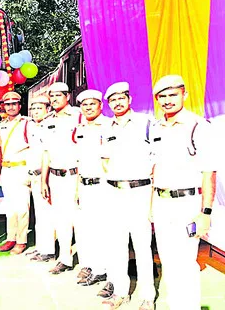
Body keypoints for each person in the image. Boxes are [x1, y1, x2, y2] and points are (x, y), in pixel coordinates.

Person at [149, 75, 216, 309]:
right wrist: (151, 208)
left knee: (186, 263)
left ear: (184, 95)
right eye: (162, 96)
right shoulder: (155, 127)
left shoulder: (198, 126)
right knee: (168, 262)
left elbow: (209, 172)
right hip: (161, 202)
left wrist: (205, 213)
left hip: (187, 204)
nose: (167, 101)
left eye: (173, 94)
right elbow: (154, 168)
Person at [100, 82, 156, 309]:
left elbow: (156, 160)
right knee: (117, 243)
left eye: (121, 98)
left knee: (142, 245)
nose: (117, 103)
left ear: (129, 99)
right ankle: (121, 292)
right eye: (112, 100)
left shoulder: (146, 123)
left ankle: (147, 295)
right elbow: (104, 160)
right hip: (114, 191)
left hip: (140, 191)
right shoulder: (108, 128)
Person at [41, 82, 80, 274]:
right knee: (61, 219)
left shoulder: (78, 116)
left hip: (75, 175)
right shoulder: (48, 121)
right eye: (52, 96)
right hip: (55, 177)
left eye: (59, 95)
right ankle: (65, 259)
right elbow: (46, 153)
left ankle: (89, 263)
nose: (55, 99)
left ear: (68, 97)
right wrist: (44, 181)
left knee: (80, 220)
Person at [73, 89, 110, 287]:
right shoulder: (80, 129)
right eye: (84, 105)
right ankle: (91, 266)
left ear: (100, 106)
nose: (88, 108)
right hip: (85, 183)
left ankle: (102, 270)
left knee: (102, 228)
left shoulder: (108, 126)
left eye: (92, 104)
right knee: (87, 228)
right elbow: (80, 159)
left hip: (102, 184)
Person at [0, 92, 32, 255]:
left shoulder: (27, 123)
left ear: (19, 106)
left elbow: (34, 148)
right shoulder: (1, 125)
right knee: (10, 207)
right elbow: (0, 151)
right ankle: (11, 237)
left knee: (22, 207)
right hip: (7, 169)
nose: (10, 107)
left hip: (21, 169)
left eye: (14, 104)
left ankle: (21, 240)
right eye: (7, 104)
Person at [25, 94, 56, 262]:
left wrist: (44, 179)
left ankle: (48, 250)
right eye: (33, 109)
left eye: (39, 108)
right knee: (39, 214)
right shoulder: (32, 127)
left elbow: (48, 154)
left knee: (46, 214)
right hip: (34, 175)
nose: (36, 112)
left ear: (48, 109)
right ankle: (40, 247)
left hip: (45, 175)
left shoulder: (49, 126)